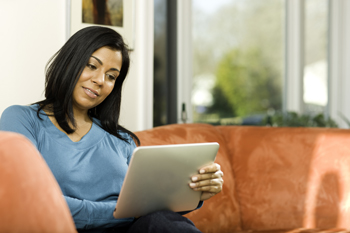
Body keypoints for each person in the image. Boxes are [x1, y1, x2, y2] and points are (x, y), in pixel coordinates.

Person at [0, 26, 224, 233]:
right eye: (91, 65)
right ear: (69, 62)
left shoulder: (122, 139)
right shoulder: (22, 119)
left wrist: (195, 192)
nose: (99, 80)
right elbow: (28, 199)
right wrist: (119, 214)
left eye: (111, 76)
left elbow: (148, 209)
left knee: (162, 223)